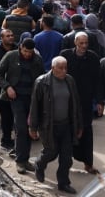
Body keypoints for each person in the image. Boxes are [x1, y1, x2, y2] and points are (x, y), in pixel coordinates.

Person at [29, 56, 82, 195]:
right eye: (60, 68)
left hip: (66, 126)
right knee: (51, 152)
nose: (64, 71)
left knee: (66, 158)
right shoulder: (41, 82)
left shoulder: (70, 80)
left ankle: (63, 183)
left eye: (65, 67)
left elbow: (76, 104)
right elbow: (34, 106)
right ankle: (39, 165)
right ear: (53, 68)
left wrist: (79, 126)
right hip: (48, 126)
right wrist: (33, 127)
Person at [0, 37, 45, 174]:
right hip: (16, 97)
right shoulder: (11, 56)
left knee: (30, 128)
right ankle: (20, 161)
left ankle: (25, 159)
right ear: (20, 47)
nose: (27, 54)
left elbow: (42, 79)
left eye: (30, 52)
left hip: (32, 98)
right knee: (21, 128)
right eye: (25, 51)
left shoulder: (37, 59)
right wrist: (7, 87)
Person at [61, 32, 103, 174]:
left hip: (85, 101)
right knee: (67, 131)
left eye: (86, 43)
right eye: (81, 43)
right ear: (75, 43)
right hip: (67, 100)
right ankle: (65, 163)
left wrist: (99, 101)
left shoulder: (93, 57)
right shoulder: (65, 56)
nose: (84, 46)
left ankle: (88, 163)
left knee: (86, 131)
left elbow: (98, 80)